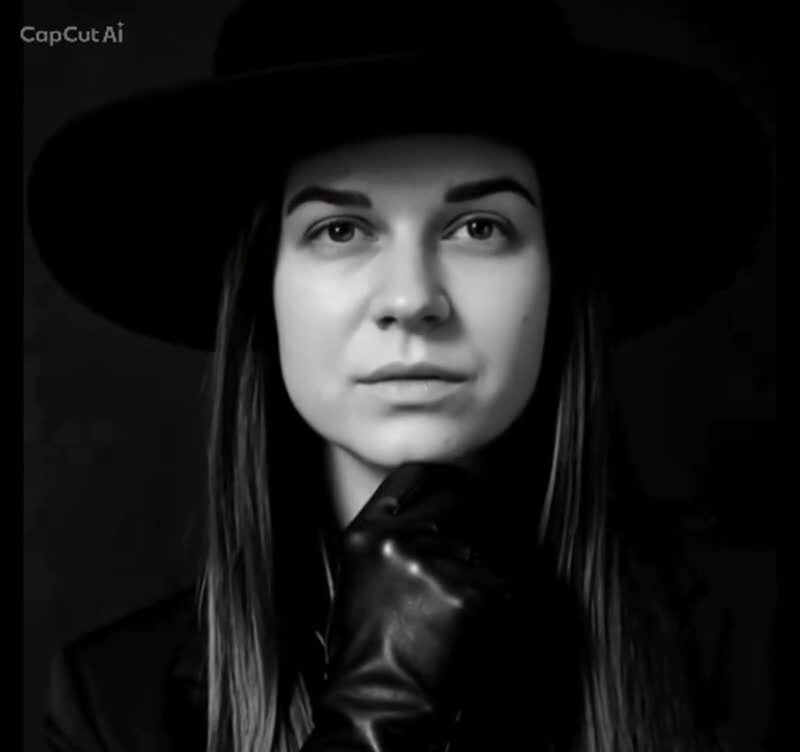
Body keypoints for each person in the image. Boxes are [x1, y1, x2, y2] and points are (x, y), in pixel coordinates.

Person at [27, 2, 772, 751]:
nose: (413, 299)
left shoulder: (753, 634)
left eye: (480, 227)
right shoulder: (112, 710)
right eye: (339, 230)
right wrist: (374, 720)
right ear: (264, 291)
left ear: (558, 279)